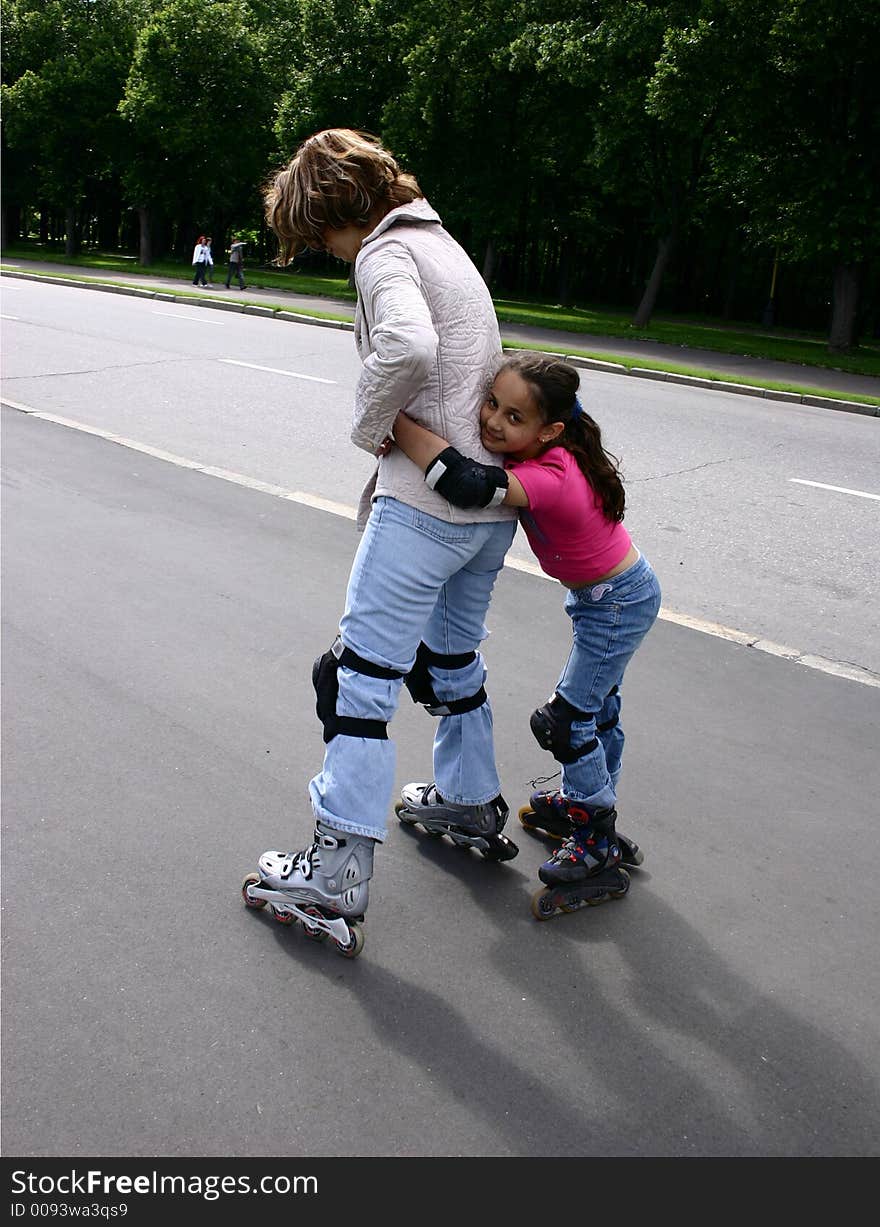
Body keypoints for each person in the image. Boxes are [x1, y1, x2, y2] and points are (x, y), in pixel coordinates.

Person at [241, 129, 518, 957]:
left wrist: (369, 424)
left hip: (424, 506)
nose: (323, 249)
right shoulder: (442, 240)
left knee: (357, 679)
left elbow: (406, 343)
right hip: (488, 509)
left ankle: (334, 873)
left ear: (335, 209)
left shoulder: (385, 253)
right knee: (453, 663)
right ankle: (468, 798)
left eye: (318, 231)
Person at [390, 352, 662, 917]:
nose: (493, 422)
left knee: (566, 723)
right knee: (598, 708)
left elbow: (464, 483)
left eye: (514, 418)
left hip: (617, 604)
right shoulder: (555, 445)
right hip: (608, 600)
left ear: (550, 430)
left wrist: (389, 417)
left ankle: (596, 840)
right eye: (492, 403)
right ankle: (587, 803)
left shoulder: (551, 473)